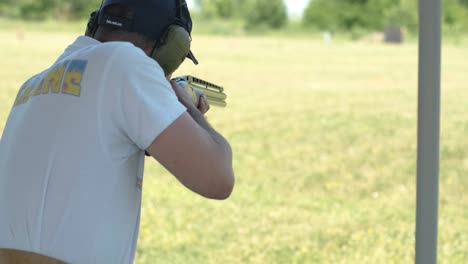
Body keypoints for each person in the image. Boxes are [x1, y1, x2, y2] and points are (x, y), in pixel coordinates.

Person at [0, 0, 235, 263]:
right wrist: (187, 108)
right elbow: (218, 178)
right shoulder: (127, 63)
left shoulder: (33, 85)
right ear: (172, 44)